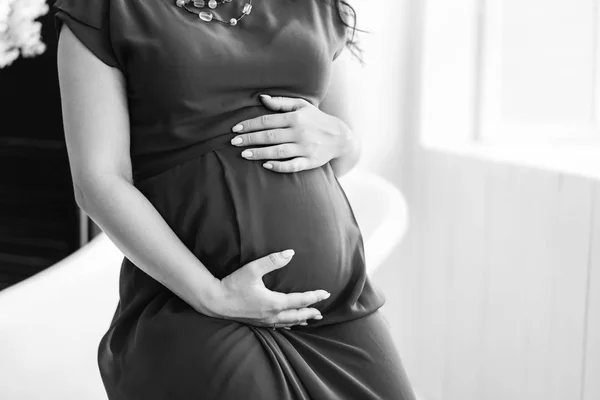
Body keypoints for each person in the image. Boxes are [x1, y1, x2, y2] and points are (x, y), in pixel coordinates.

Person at [53, 0, 417, 398]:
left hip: (337, 309)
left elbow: (344, 149)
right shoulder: (106, 9)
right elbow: (97, 182)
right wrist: (214, 296)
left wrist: (341, 138)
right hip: (198, 308)